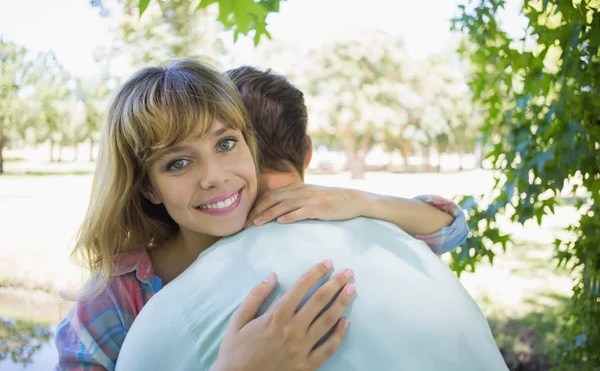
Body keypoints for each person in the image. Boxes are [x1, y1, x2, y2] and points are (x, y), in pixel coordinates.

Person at [53, 61, 464, 371]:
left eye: (226, 143)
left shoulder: (281, 219)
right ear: (147, 186)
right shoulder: (116, 299)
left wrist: (361, 201)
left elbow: (448, 228)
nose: (215, 177)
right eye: (178, 163)